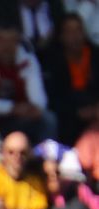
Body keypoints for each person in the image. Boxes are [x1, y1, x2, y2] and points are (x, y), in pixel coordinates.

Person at [0, 22, 56, 142]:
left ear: (18, 42)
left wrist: (32, 109)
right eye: (2, 40)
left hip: (19, 117)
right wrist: (12, 108)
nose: (7, 46)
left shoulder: (28, 59)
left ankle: (45, 157)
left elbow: (39, 100)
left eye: (12, 41)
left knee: (48, 118)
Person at [43, 12, 99, 145]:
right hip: (69, 114)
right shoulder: (52, 60)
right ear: (61, 36)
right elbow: (51, 98)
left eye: (78, 30)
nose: (75, 37)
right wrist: (77, 112)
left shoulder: (96, 55)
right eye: (69, 32)